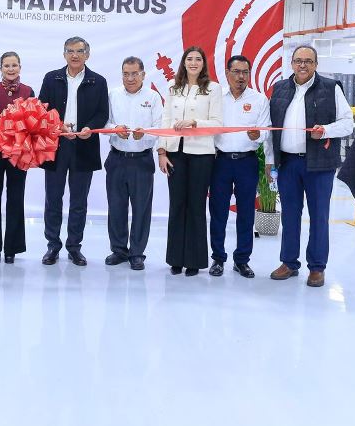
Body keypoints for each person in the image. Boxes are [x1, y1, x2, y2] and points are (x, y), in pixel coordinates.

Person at [268, 45, 352, 288]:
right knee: (290, 215)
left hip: (319, 165)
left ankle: (316, 267)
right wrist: (271, 161)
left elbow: (348, 123)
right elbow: (273, 129)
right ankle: (289, 263)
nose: (302, 65)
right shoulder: (280, 88)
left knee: (319, 216)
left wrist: (325, 130)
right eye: (298, 61)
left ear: (316, 64)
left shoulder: (331, 88)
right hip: (288, 163)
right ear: (291, 64)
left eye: (308, 61)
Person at [38, 36, 109, 267]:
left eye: (79, 51)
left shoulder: (98, 81)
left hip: (84, 145)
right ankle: (52, 246)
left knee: (79, 201)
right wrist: (57, 126)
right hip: (56, 145)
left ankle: (74, 247)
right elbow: (41, 110)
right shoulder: (51, 78)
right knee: (53, 199)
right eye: (70, 51)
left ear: (87, 54)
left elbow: (102, 113)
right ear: (64, 54)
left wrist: (90, 128)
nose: (75, 55)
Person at [157, 46, 223, 277]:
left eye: (198, 59)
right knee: (176, 205)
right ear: (183, 62)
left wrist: (195, 122)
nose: (193, 63)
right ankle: (175, 259)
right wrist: (162, 151)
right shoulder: (173, 87)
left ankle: (194, 260)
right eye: (189, 59)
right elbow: (165, 120)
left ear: (204, 63)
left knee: (196, 205)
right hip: (175, 152)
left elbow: (218, 123)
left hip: (201, 154)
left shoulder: (213, 88)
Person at [208, 55, 270, 279]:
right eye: (236, 72)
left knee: (246, 213)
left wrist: (257, 135)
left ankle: (242, 260)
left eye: (245, 72)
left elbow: (265, 131)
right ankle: (218, 258)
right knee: (218, 212)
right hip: (220, 162)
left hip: (247, 161)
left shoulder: (259, 99)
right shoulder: (216, 99)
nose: (240, 77)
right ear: (227, 74)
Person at [103, 57, 163, 271]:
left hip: (142, 160)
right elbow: (104, 122)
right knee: (116, 207)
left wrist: (144, 134)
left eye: (134, 74)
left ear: (143, 75)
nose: (130, 78)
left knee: (141, 209)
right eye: (126, 74)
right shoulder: (113, 94)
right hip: (117, 159)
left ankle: (137, 253)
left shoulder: (153, 97)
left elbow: (159, 127)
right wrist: (115, 128)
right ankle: (119, 250)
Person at [0, 51, 34, 264]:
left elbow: (33, 120)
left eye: (14, 65)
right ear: (0, 68)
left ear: (20, 67)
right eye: (7, 65)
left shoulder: (28, 91)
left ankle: (12, 248)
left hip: (19, 153)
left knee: (16, 198)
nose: (11, 69)